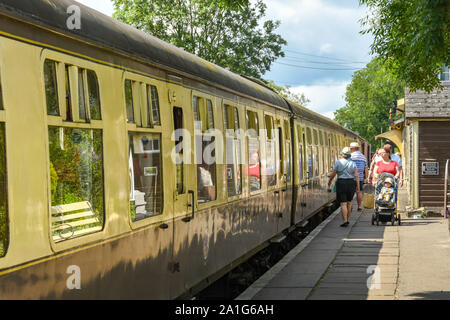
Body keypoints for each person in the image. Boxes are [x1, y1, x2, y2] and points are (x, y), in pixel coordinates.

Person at [328, 147, 360, 227]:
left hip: (341, 183)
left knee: (343, 204)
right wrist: (358, 187)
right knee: (349, 202)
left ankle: (345, 220)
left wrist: (329, 181)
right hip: (351, 183)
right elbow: (356, 175)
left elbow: (334, 173)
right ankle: (347, 219)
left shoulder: (338, 162)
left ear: (342, 154)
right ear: (349, 155)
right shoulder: (353, 163)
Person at [350, 142, 368, 211]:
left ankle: (350, 206)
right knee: (359, 191)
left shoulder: (351, 156)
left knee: (351, 192)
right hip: (360, 177)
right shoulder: (363, 157)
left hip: (351, 177)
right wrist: (366, 177)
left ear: (352, 148)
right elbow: (366, 167)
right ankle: (359, 206)